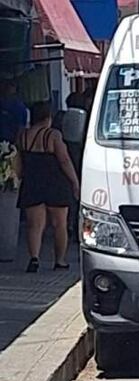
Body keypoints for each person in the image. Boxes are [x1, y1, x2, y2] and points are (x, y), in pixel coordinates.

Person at [14, 102, 79, 272]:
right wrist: (74, 182)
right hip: (55, 183)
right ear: (48, 117)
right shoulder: (53, 135)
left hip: (32, 182)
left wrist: (19, 177)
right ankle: (60, 260)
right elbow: (64, 160)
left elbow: (18, 162)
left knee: (34, 225)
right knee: (60, 224)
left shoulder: (23, 136)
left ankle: (34, 258)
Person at [0, 80, 28, 144]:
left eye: (12, 84)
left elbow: (21, 127)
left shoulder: (20, 107)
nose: (8, 87)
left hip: (11, 141)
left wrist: (16, 144)